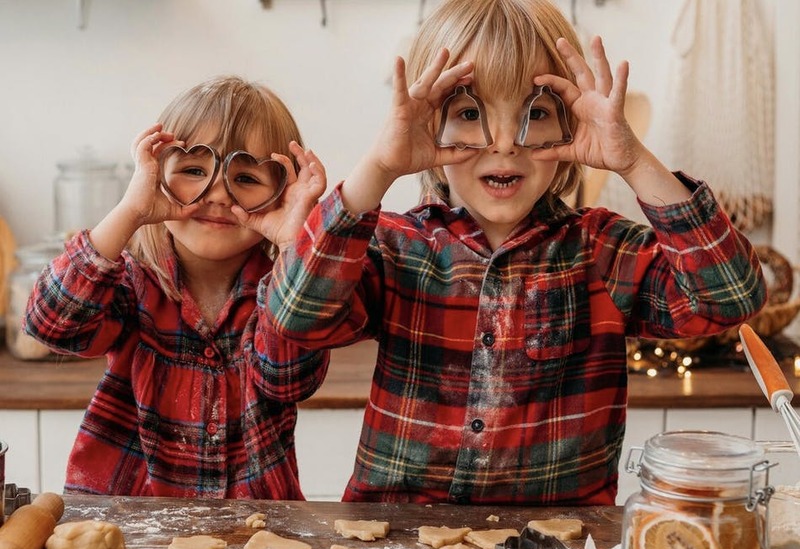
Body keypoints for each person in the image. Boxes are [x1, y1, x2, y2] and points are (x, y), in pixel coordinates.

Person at [265, 0, 767, 505]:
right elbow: (296, 315)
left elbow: (729, 297)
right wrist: (379, 165)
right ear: (426, 127)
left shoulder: (599, 249)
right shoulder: (396, 247)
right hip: (402, 548)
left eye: (536, 113)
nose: (504, 143)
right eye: (468, 112)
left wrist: (633, 160)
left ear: (570, 129)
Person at [24, 75, 329, 499]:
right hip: (127, 519)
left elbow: (292, 380)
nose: (219, 193)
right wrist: (131, 210)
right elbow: (50, 325)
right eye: (193, 170)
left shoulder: (282, 293)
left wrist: (295, 243)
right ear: (157, 176)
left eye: (246, 178)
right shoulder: (130, 281)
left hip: (254, 525)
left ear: (281, 194)